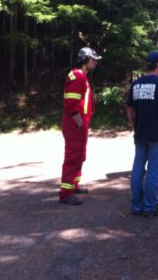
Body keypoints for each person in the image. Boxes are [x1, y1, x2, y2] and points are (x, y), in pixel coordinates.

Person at [126, 51, 158, 218]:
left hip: (140, 134)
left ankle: (137, 206)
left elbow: (129, 108)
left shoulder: (136, 84)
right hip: (157, 135)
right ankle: (150, 207)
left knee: (137, 169)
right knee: (153, 171)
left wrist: (134, 125)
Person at [59, 47, 101, 205]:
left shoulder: (81, 76)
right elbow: (71, 104)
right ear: (86, 59)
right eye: (94, 60)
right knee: (73, 156)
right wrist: (79, 123)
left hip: (79, 123)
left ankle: (73, 185)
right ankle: (66, 193)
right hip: (75, 124)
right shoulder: (77, 76)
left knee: (79, 155)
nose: (96, 63)